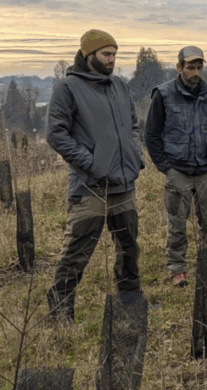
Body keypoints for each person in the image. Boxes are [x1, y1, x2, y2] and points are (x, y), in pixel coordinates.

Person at [45, 29, 144, 324]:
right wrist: (91, 163)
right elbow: (55, 134)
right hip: (90, 187)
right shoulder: (68, 88)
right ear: (89, 55)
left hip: (123, 184)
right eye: (106, 54)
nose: (112, 60)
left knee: (129, 247)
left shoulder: (121, 87)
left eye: (114, 54)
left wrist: (135, 152)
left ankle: (131, 302)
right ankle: (61, 312)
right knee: (77, 251)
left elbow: (133, 125)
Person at [144, 46, 207, 287]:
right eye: (190, 67)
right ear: (179, 67)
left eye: (200, 67)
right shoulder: (164, 94)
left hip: (206, 169)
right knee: (177, 223)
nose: (195, 72)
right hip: (177, 170)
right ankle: (177, 268)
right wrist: (165, 167)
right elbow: (151, 134)